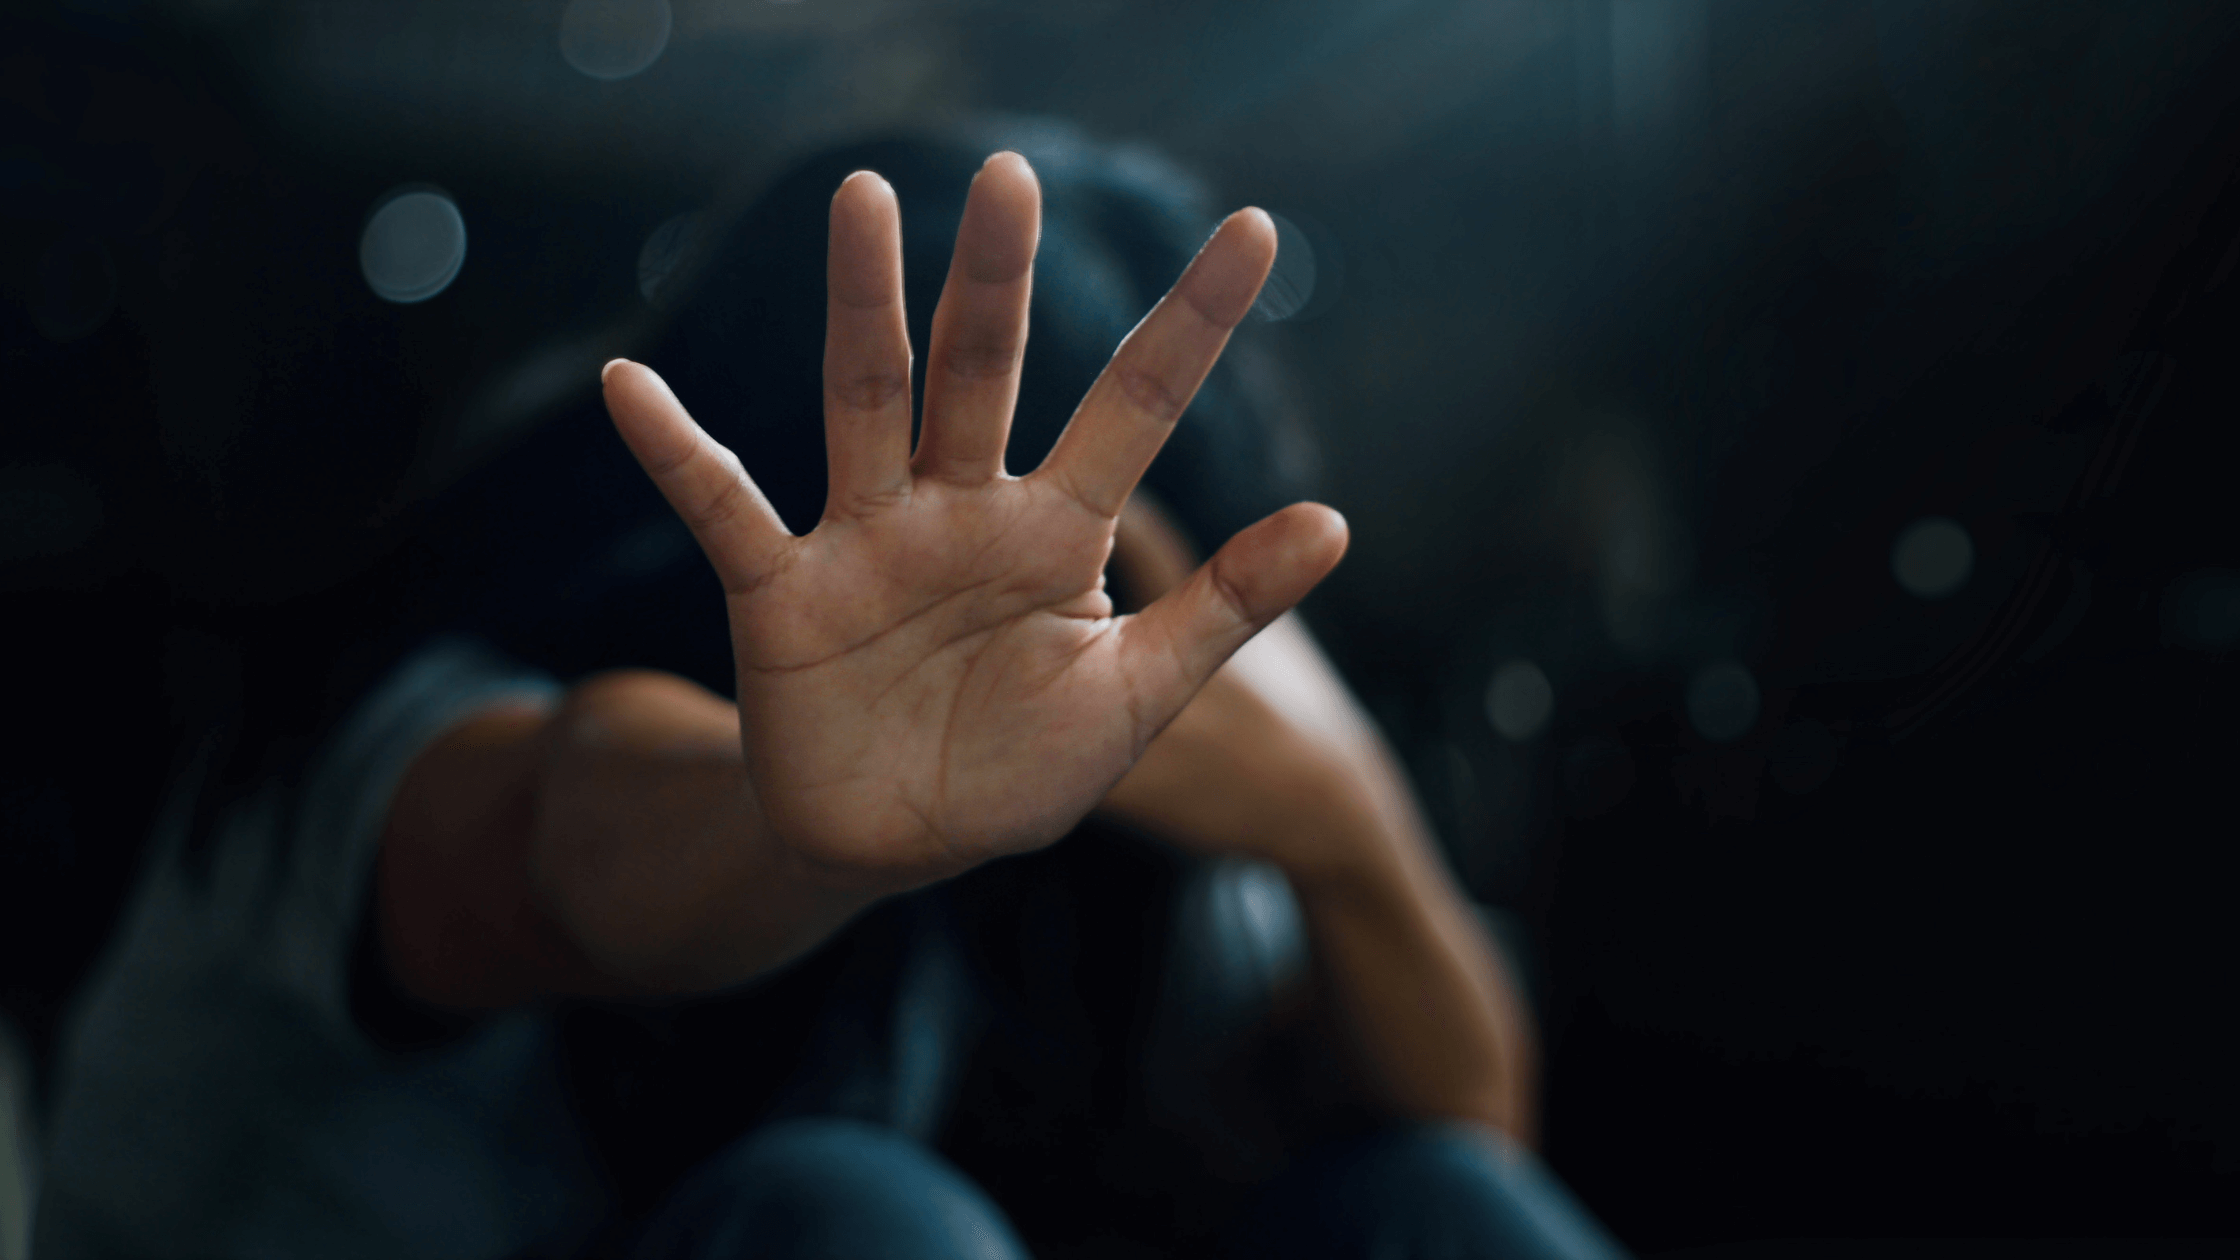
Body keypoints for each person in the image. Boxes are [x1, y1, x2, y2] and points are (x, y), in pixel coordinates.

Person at [34, 131, 1629, 1260]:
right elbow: (566, 845)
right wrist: (812, 826)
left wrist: (1348, 825)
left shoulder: (1103, 811)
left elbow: (1471, 1148)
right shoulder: (405, 740)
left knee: (1425, 1199)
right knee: (845, 1217)